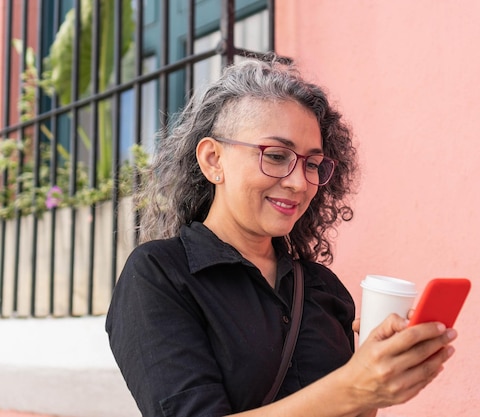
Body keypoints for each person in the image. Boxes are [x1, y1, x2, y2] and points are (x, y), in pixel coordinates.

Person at [105, 54, 458, 417]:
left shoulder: (324, 289)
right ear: (213, 160)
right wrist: (354, 385)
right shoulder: (159, 274)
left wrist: (378, 383)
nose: (298, 182)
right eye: (275, 156)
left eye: (312, 164)